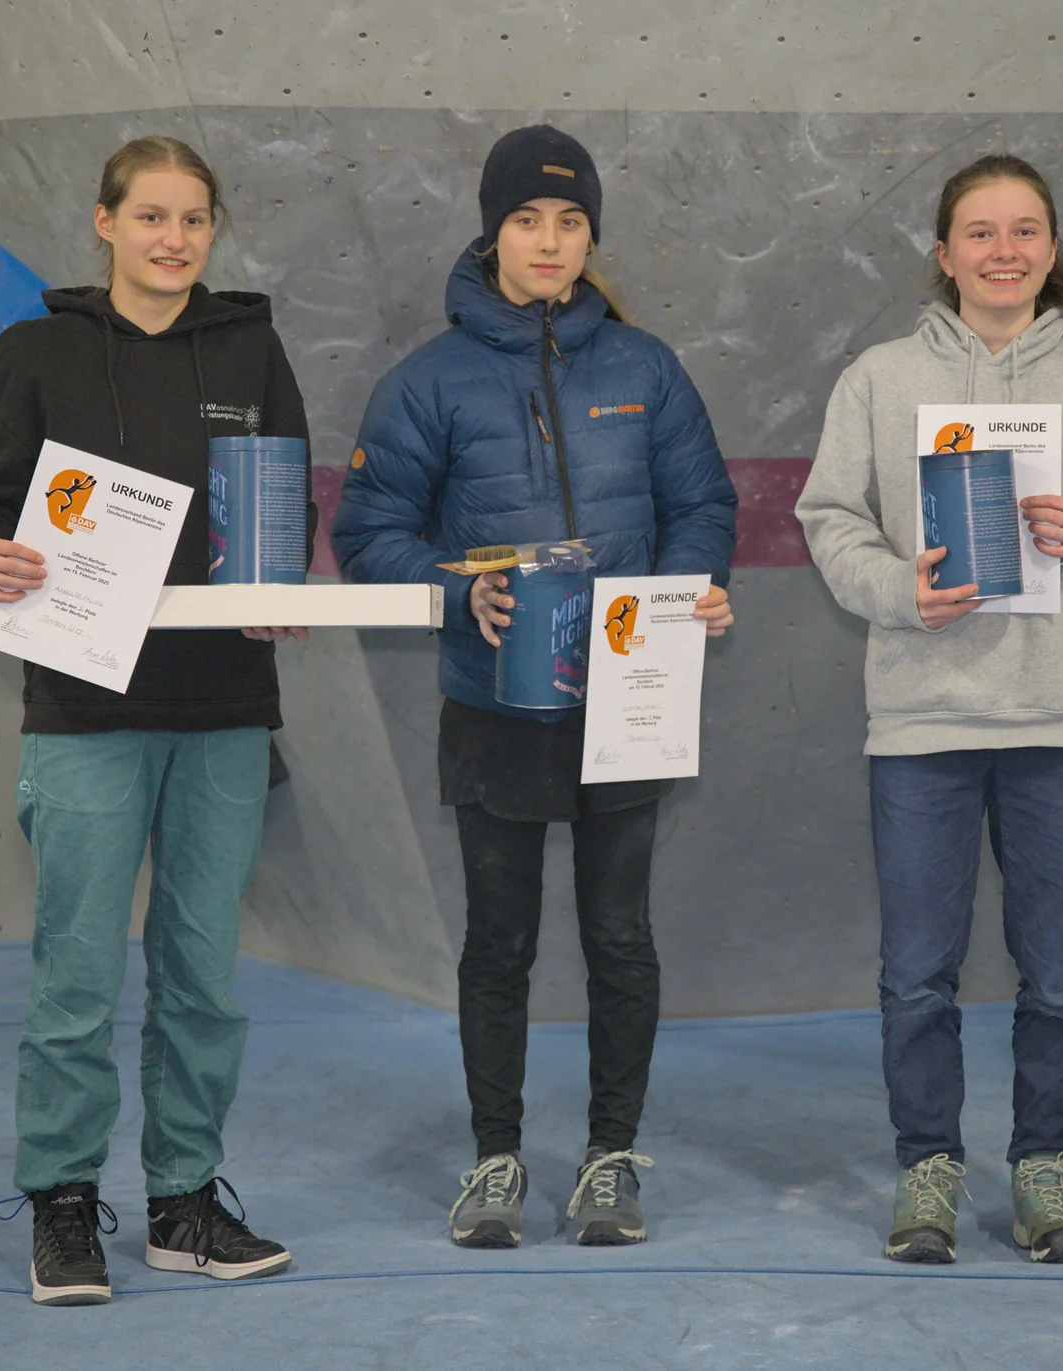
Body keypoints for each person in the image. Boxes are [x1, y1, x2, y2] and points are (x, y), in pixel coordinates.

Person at [332, 124, 737, 1250]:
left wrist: (686, 592)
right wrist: (460, 597)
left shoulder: (647, 367)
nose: (549, 242)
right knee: (499, 941)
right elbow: (368, 532)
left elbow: (702, 505)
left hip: (630, 697)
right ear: (492, 231)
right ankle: (495, 1160)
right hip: (496, 703)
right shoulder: (431, 379)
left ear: (591, 236)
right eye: (526, 220)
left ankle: (613, 1160)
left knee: (620, 935)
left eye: (569, 222)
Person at [798, 154, 1063, 1264]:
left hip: (1059, 714)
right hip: (922, 720)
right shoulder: (878, 377)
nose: (1004, 251)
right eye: (980, 232)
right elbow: (830, 517)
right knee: (917, 972)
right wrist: (899, 591)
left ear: (1053, 249)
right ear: (943, 253)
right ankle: (928, 1167)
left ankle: (1045, 1167)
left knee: (1062, 968)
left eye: (1026, 231)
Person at [0, 136, 311, 1305]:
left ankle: (184, 1202)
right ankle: (61, 1207)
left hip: (223, 716)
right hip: (84, 712)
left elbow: (283, 508)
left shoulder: (251, 348)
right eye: (150, 216)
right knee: (78, 980)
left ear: (213, 230)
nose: (173, 239)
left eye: (194, 219)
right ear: (104, 223)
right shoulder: (38, 350)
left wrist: (280, 593)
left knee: (204, 978)